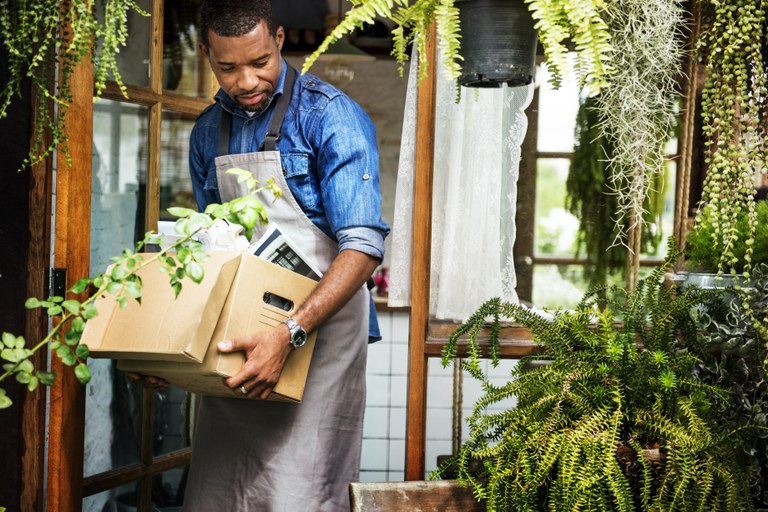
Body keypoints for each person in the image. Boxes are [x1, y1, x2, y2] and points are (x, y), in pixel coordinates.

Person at [181, 1, 389, 510]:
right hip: (245, 336)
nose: (247, 80)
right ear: (208, 55)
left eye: (260, 62)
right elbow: (214, 249)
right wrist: (169, 353)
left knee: (301, 491)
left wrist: (288, 333)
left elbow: (362, 248)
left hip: (319, 336)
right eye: (228, 67)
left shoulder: (329, 116)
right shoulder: (207, 132)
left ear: (278, 39)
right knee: (219, 493)